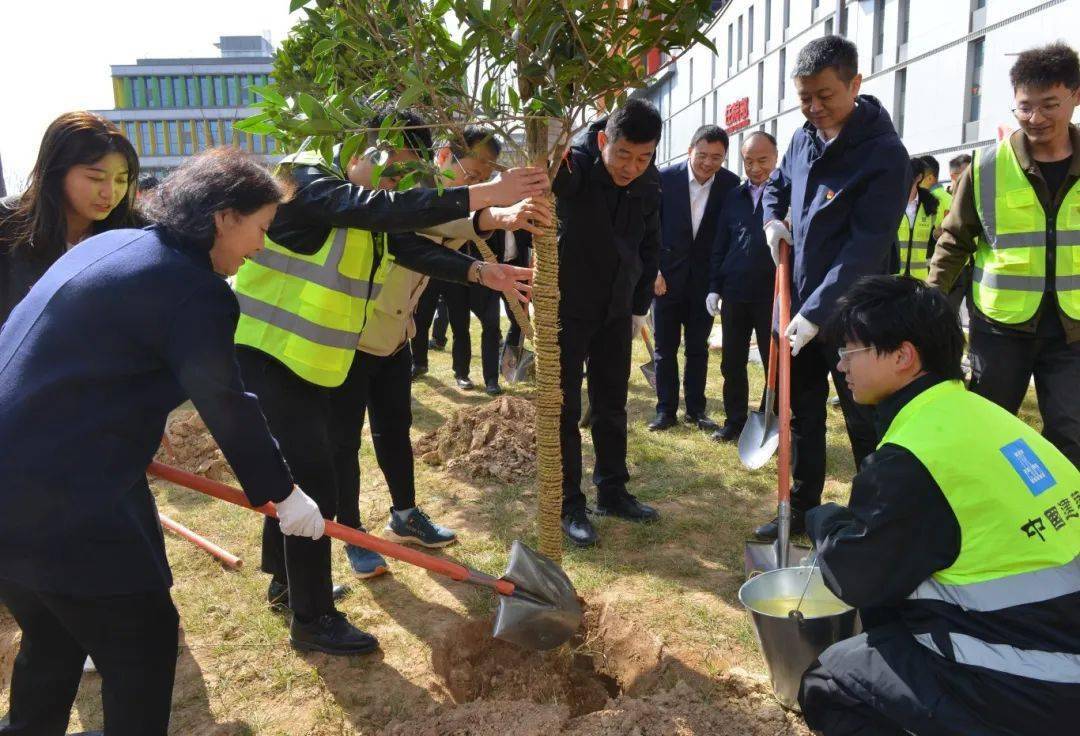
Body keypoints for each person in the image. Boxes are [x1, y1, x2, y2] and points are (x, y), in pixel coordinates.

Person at [0, 149, 326, 736]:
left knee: (52, 633)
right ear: (225, 217)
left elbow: (72, 360)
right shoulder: (192, 288)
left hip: (18, 477)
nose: (261, 247)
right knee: (142, 640)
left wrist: (127, 425)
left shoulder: (112, 246)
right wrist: (283, 494)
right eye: (261, 229)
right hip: (63, 497)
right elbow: (227, 403)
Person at [234, 105, 543, 653]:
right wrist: (485, 195)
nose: (396, 185)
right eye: (394, 169)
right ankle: (312, 618)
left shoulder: (363, 213)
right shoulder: (306, 179)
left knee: (298, 477)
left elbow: (410, 244)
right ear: (366, 146)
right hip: (267, 353)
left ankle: (287, 585)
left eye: (405, 175)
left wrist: (481, 271)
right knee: (315, 481)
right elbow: (379, 210)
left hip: (307, 361)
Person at [799, 275, 1080, 735]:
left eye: (850, 351)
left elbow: (858, 576)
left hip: (1039, 682)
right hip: (1059, 646)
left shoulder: (915, 456)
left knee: (831, 686)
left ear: (904, 356)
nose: (841, 364)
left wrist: (823, 519)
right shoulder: (983, 416)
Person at [757, 35, 910, 540]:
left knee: (865, 416)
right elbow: (777, 184)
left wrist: (818, 311)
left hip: (854, 314)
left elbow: (864, 249)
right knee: (801, 412)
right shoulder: (802, 138)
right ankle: (802, 504)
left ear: (855, 84)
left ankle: (876, 515)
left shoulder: (884, 155)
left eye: (825, 95)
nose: (814, 108)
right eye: (804, 98)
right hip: (798, 303)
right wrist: (772, 218)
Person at [929, 42, 1080, 467]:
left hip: (1073, 331)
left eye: (1050, 105)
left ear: (1075, 95)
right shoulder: (988, 167)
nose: (1036, 119)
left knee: (1072, 432)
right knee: (987, 429)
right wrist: (931, 300)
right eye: (1025, 107)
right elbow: (954, 240)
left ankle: (1061, 519)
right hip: (1000, 327)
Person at [554, 98, 663, 548]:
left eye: (643, 158)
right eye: (623, 155)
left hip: (617, 310)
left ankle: (612, 491)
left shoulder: (649, 182)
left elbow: (651, 245)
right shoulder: (574, 168)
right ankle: (568, 502)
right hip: (568, 308)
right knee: (560, 406)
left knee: (611, 402)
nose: (632, 167)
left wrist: (639, 304)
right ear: (603, 141)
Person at [411, 126, 529, 393]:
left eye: (484, 180)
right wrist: (493, 218)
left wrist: (496, 218)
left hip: (482, 275)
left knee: (482, 326)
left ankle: (489, 379)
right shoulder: (411, 190)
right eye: (472, 176)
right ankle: (419, 362)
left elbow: (450, 226)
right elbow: (427, 228)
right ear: (443, 157)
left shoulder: (467, 202)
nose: (476, 188)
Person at [1, 111, 140, 325]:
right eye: (96, 178)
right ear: (56, 173)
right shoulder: (6, 223)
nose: (109, 192)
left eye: (121, 180)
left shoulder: (138, 234)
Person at [648, 124, 739, 432]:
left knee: (697, 348)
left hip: (704, 282)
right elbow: (648, 229)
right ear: (690, 151)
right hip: (666, 279)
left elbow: (728, 236)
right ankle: (665, 411)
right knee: (664, 349)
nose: (708, 163)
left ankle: (696, 410)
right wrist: (653, 270)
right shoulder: (663, 180)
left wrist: (719, 283)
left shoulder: (730, 185)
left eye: (717, 157)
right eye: (702, 155)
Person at [706, 131, 779, 442]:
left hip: (772, 295)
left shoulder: (786, 194)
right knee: (732, 361)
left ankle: (768, 418)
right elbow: (720, 244)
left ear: (776, 158)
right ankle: (734, 420)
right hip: (735, 292)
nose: (755, 168)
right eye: (748, 161)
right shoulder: (734, 197)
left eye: (762, 160)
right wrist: (714, 287)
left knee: (772, 361)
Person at [895, 157, 941, 281]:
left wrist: (937, 235)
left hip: (919, 279)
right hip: (893, 277)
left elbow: (934, 242)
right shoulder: (891, 204)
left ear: (919, 177)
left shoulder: (930, 206)